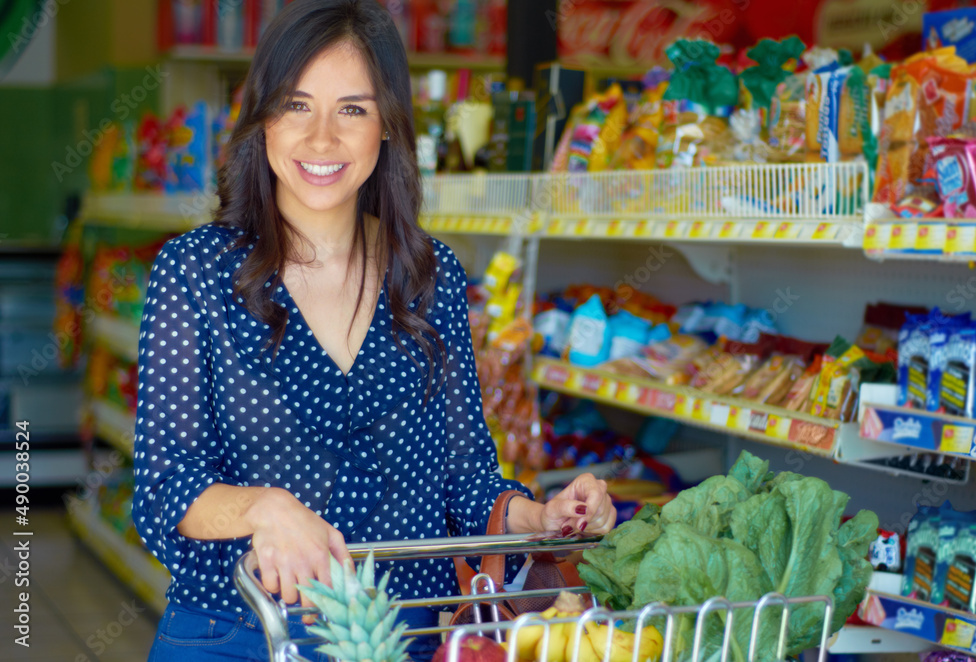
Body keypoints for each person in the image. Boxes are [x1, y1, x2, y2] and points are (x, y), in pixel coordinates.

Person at [132, 1, 616, 661]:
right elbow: (165, 487)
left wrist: (544, 519)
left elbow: (465, 477)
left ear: (387, 125)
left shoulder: (429, 274)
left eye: (352, 109)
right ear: (262, 117)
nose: (322, 138)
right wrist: (262, 509)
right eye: (296, 105)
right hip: (240, 635)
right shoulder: (194, 273)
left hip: (400, 637)